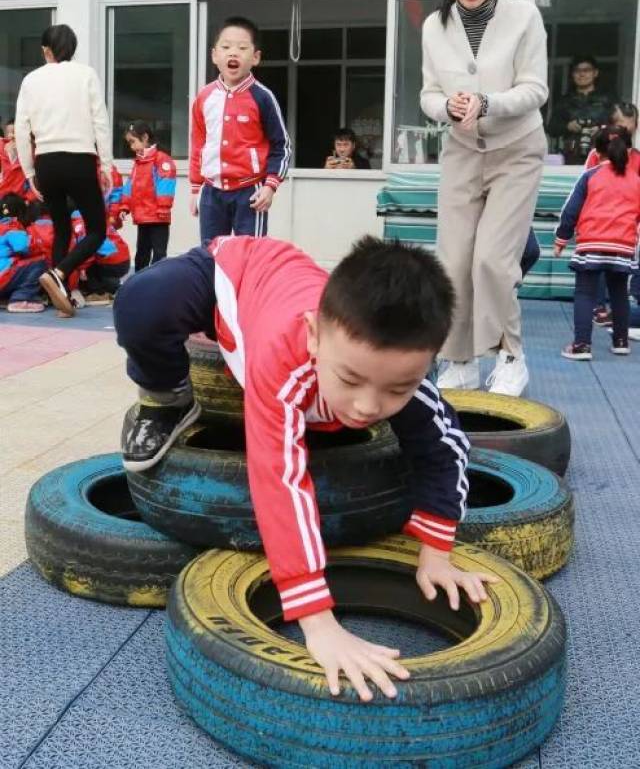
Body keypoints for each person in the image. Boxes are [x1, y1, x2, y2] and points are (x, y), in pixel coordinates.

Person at [113, 234, 497, 701]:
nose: (367, 406)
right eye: (350, 379)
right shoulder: (285, 360)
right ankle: (167, 397)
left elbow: (447, 448)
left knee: (410, 415)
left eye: (397, 388)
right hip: (233, 275)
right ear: (315, 337)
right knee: (141, 300)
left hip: (294, 294)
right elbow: (278, 480)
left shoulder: (400, 378)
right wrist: (317, 622)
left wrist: (436, 552)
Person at [421, 0, 548, 397]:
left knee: (493, 261)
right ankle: (457, 359)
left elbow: (536, 89)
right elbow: (428, 93)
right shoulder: (435, 26)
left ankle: (510, 355)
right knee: (453, 262)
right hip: (461, 151)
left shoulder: (524, 16)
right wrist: (447, 108)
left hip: (517, 149)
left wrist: (488, 102)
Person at [14, 23, 112, 317]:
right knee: (97, 229)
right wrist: (106, 164)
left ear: (46, 50)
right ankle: (60, 274)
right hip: (80, 159)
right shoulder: (85, 75)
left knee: (61, 229)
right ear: (73, 48)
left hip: (46, 161)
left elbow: (21, 127)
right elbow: (100, 121)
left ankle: (62, 297)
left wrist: (29, 171)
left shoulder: (31, 79)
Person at [189, 16, 291, 243]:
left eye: (242, 48)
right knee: (211, 255)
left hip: (250, 190)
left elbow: (281, 145)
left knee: (251, 254)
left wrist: (270, 186)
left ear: (255, 58)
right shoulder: (204, 97)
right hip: (211, 191)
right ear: (215, 55)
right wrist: (196, 188)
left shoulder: (263, 97)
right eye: (226, 47)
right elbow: (198, 144)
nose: (233, 53)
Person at [555, 125, 640, 359]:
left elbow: (571, 210)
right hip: (623, 245)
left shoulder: (590, 176)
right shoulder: (636, 180)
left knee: (584, 294)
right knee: (620, 293)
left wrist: (561, 238)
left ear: (596, 151)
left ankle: (582, 345)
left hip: (591, 243)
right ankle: (621, 341)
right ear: (628, 150)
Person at [120, 121, 176, 271]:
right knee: (142, 254)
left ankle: (158, 284)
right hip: (142, 216)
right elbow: (130, 186)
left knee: (159, 254)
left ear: (145, 138)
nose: (131, 146)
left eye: (133, 141)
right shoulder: (139, 162)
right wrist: (124, 206)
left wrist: (164, 207)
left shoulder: (161, 159)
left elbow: (166, 183)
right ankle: (139, 283)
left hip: (158, 216)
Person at [547, 56, 613, 164]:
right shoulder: (565, 101)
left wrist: (601, 129)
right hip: (572, 154)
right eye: (577, 70)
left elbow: (620, 125)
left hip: (602, 153)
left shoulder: (608, 99)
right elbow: (551, 128)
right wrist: (567, 126)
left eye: (586, 70)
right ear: (572, 74)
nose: (581, 74)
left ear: (595, 73)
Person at [0, 193, 46, 313]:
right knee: (40, 262)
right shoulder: (11, 226)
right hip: (2, 277)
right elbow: (22, 247)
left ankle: (4, 297)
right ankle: (21, 299)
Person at [0, 121, 34, 201]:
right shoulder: (1, 149)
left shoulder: (31, 153)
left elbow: (36, 180)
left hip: (21, 199)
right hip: (2, 195)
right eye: (8, 132)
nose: (11, 135)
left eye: (14, 132)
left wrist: (28, 199)